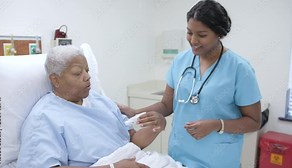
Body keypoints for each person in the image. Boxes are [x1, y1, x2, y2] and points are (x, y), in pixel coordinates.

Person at [119, 0, 262, 167]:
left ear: (219, 33)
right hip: (179, 157)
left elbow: (254, 121)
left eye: (201, 35)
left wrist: (217, 125)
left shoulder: (239, 69)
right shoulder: (181, 61)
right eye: (189, 33)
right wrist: (135, 112)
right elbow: (166, 105)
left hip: (218, 161)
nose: (193, 40)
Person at [16, 45, 166, 168]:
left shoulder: (101, 101)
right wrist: (113, 167)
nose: (87, 77)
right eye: (77, 73)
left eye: (87, 70)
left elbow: (131, 142)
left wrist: (155, 127)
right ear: (55, 80)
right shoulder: (43, 118)